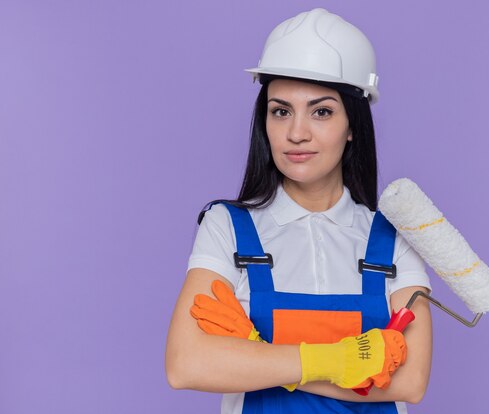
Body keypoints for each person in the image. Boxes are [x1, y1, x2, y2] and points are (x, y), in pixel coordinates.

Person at [165, 8, 433, 413]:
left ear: (352, 126)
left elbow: (410, 382)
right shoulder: (228, 228)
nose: (296, 133)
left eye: (321, 111)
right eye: (281, 110)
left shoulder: (393, 235)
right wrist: (334, 362)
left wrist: (258, 357)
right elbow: (186, 365)